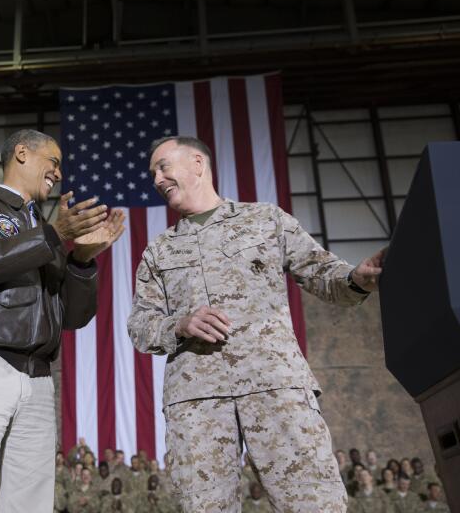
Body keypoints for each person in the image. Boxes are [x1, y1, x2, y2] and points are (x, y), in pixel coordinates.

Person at [127, 135, 385, 512]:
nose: (157, 179)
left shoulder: (265, 220)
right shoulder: (159, 250)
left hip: (275, 386)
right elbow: (140, 326)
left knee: (314, 503)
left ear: (198, 163)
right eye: (152, 173)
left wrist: (356, 279)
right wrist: (180, 324)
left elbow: (324, 275)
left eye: (163, 166)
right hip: (197, 401)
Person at [0, 129, 125, 512]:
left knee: (28, 501)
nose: (59, 174)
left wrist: (82, 259)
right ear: (21, 153)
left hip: (37, 378)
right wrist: (52, 234)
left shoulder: (44, 233)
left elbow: (72, 317)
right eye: (53, 162)